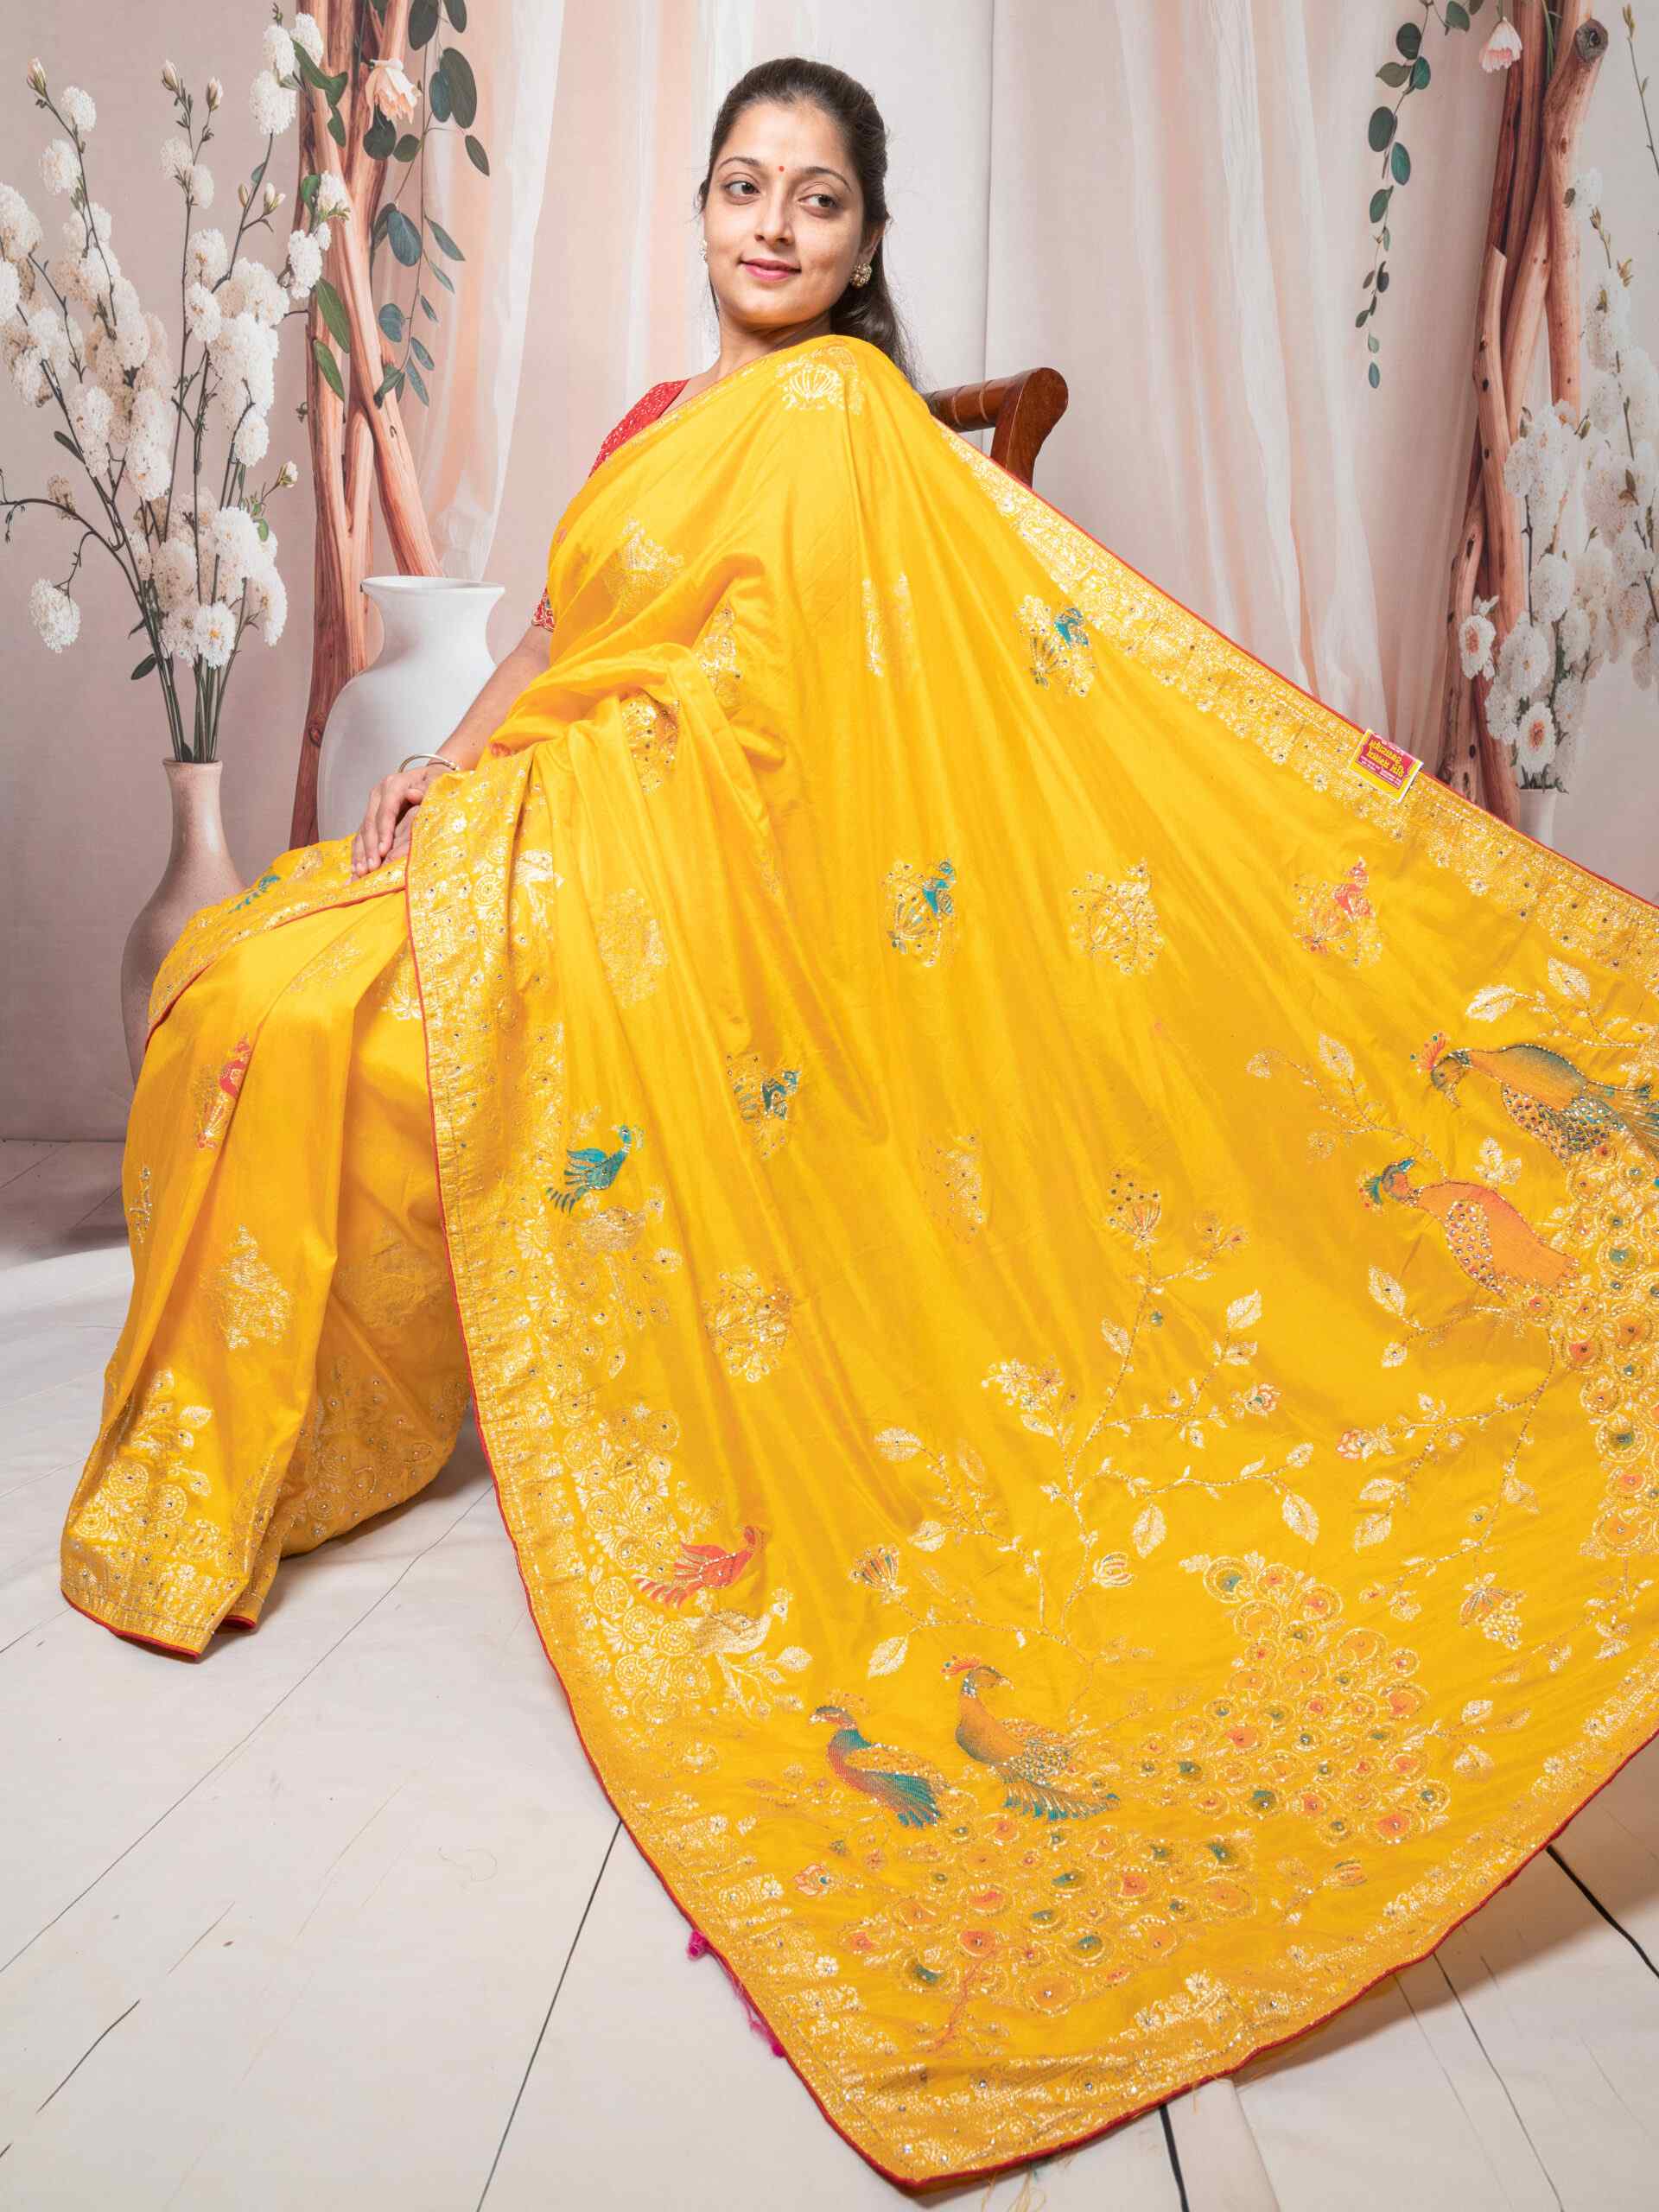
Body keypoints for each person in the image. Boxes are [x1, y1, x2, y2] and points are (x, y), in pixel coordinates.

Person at [59, 53, 1659, 2196]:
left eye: (818, 199)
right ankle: (267, 1455)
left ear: (865, 237)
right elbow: (575, 634)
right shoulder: (661, 420)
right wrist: (452, 773)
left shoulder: (845, 424)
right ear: (705, 208)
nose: (775, 226)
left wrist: (580, 811)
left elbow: (814, 729)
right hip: (547, 823)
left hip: (686, 893)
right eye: (745, 186)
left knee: (305, 996)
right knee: (250, 984)